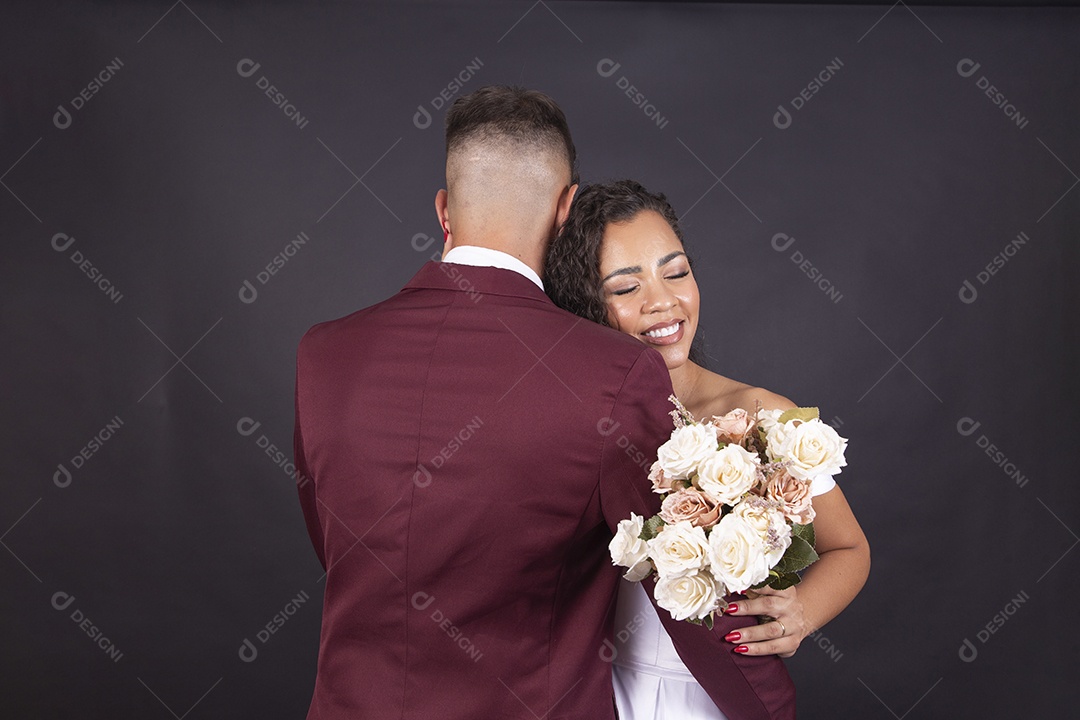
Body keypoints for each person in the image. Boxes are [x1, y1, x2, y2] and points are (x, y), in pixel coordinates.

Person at [293, 88, 796, 719]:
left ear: (444, 209)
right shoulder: (615, 373)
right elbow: (681, 582)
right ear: (565, 209)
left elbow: (339, 546)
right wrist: (771, 709)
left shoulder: (323, 354)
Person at [545, 179, 871, 720]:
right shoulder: (572, 422)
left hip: (715, 693)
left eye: (676, 273)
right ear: (584, 305)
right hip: (598, 694)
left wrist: (802, 613)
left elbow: (850, 550)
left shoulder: (763, 413)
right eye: (626, 289)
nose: (663, 301)